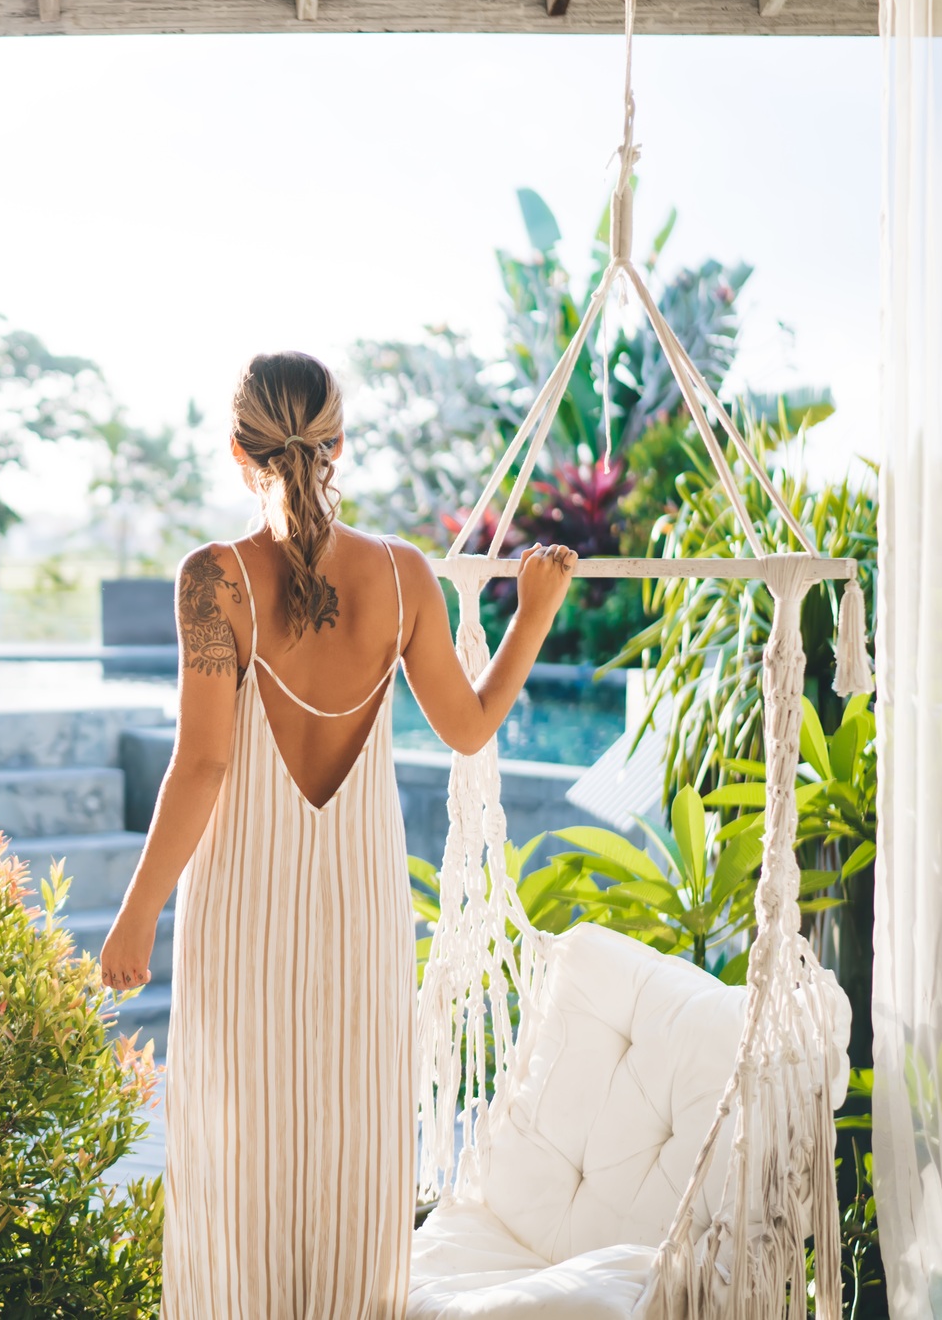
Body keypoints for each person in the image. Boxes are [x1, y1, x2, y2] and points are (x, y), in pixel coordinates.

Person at [99, 351, 575, 1320]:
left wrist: (135, 911)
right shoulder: (401, 577)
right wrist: (530, 615)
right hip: (361, 909)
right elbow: (470, 729)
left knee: (238, 1151)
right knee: (352, 1144)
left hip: (241, 908)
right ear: (338, 443)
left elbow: (200, 766)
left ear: (238, 450)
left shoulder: (212, 579)